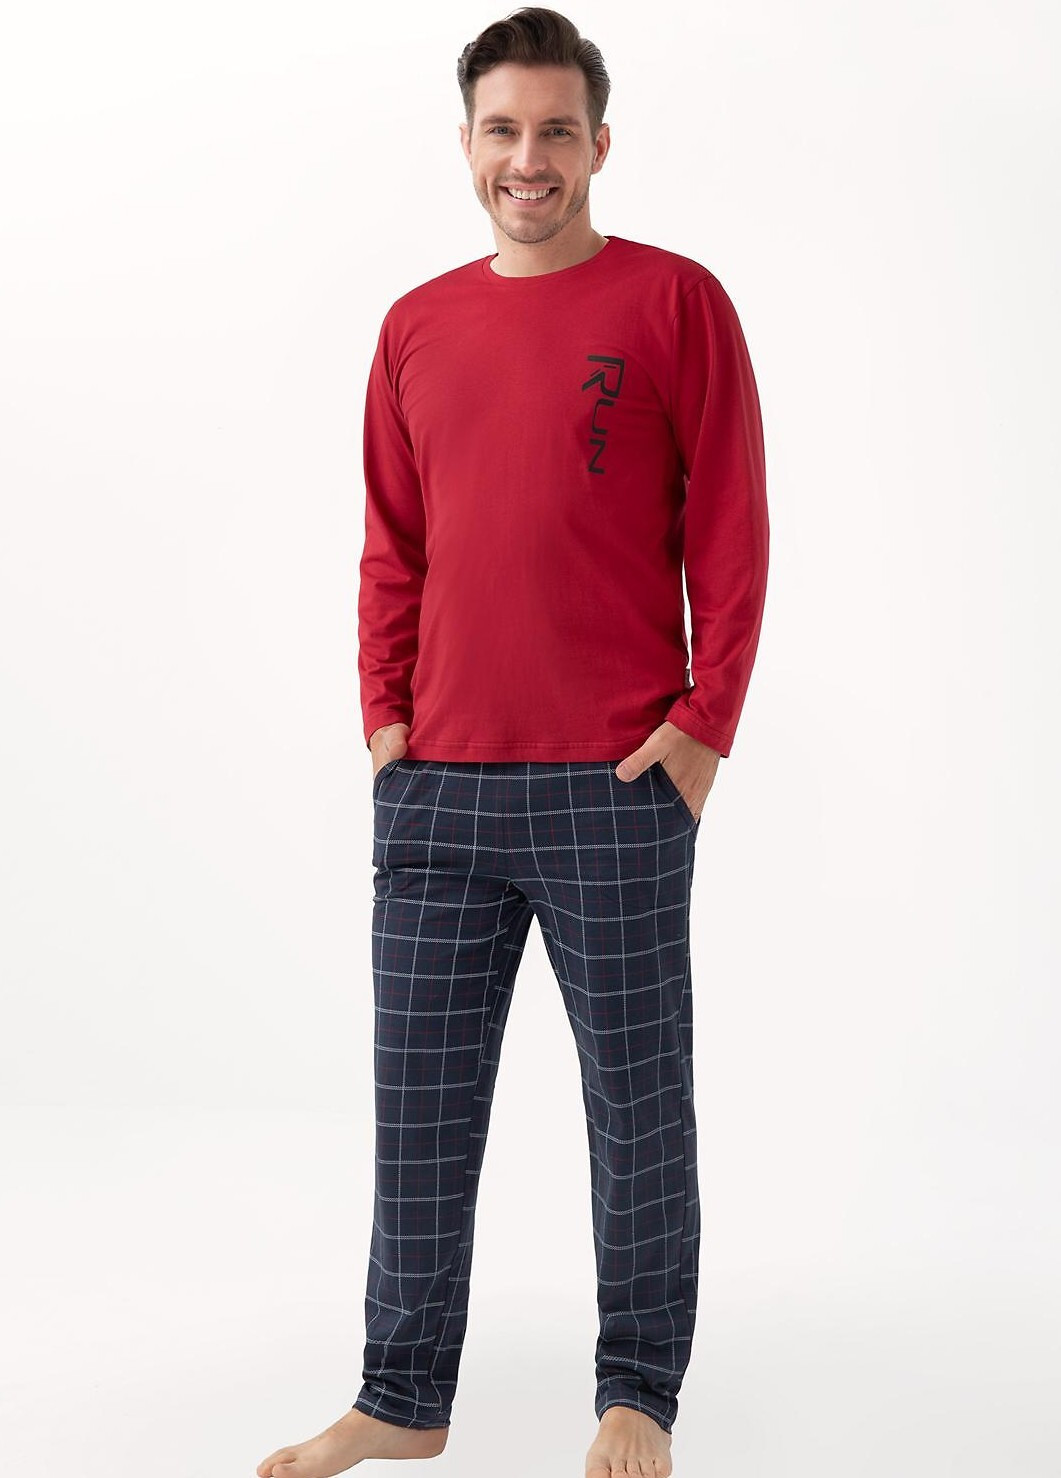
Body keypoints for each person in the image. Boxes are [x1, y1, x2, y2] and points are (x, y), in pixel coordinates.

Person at [257, 8, 768, 1477]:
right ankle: (401, 1397)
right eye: (502, 129)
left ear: (599, 144)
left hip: (615, 782)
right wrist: (384, 721)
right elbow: (392, 542)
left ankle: (637, 1394)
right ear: (468, 144)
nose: (526, 158)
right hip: (438, 789)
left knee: (636, 1107)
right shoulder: (415, 325)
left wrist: (701, 727)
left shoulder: (675, 302)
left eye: (554, 130)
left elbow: (732, 525)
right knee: (417, 1112)